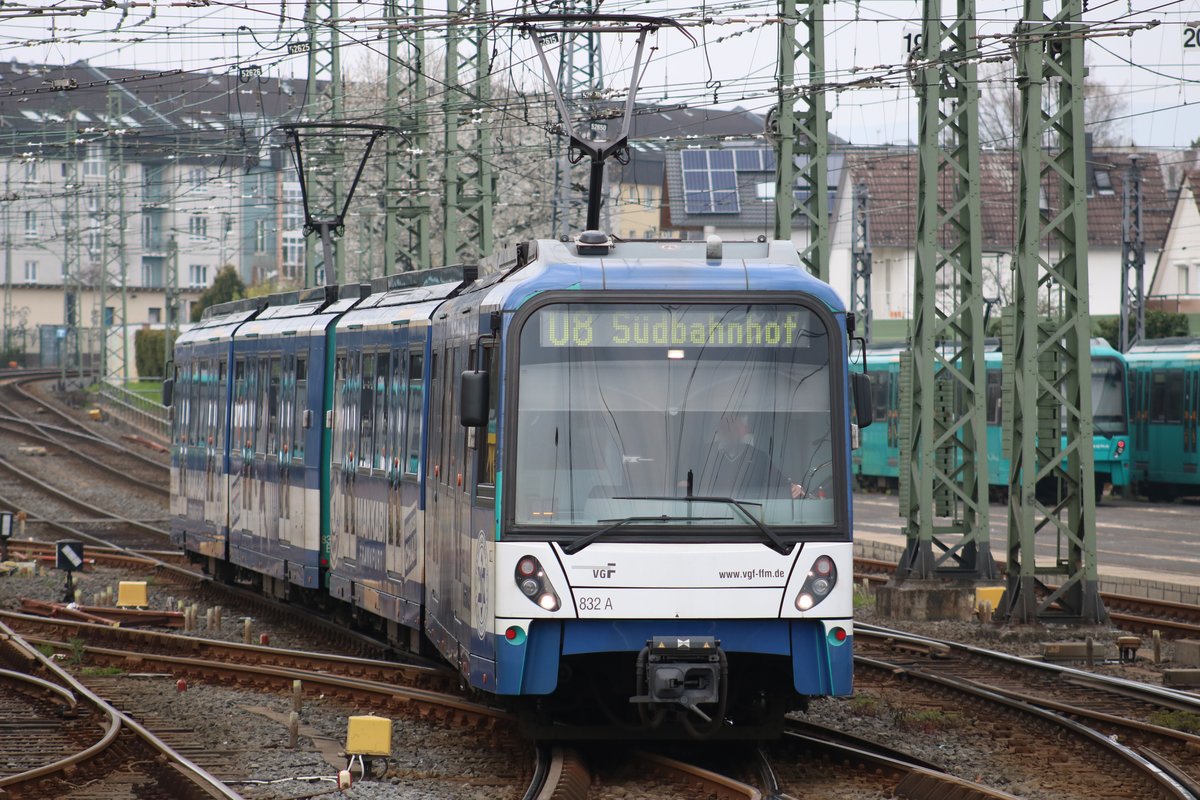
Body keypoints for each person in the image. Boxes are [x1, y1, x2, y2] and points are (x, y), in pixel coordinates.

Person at [698, 414, 806, 500]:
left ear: (743, 431)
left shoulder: (758, 457)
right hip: (712, 517)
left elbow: (778, 481)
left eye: (734, 427)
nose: (730, 431)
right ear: (719, 429)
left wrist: (793, 488)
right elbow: (689, 483)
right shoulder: (705, 455)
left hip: (752, 519)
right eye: (726, 427)